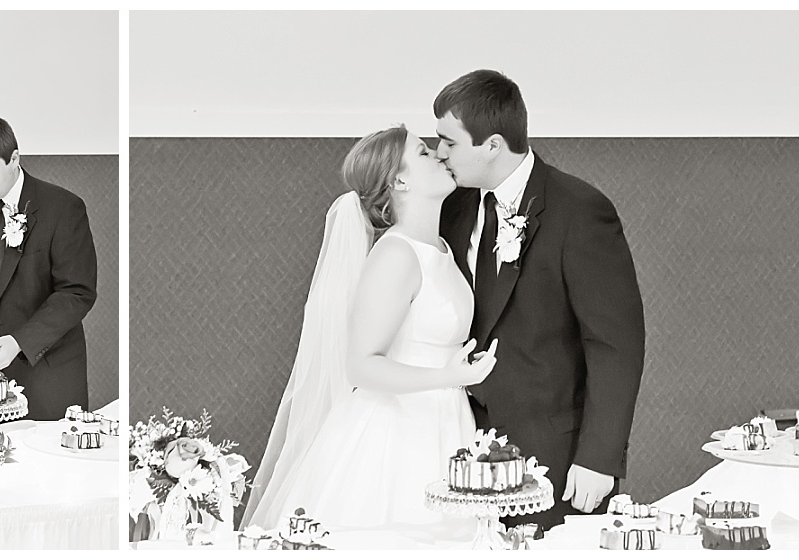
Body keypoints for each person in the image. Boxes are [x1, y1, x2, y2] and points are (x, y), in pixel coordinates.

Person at [241, 125, 498, 533]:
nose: (440, 155)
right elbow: (361, 367)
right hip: (396, 434)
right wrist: (449, 376)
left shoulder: (444, 249)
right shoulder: (395, 254)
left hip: (448, 424)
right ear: (400, 179)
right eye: (424, 153)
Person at [434, 69, 646, 531]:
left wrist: (600, 458)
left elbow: (615, 343)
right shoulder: (450, 208)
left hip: (553, 459)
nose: (439, 153)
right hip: (457, 451)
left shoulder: (579, 209)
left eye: (448, 141)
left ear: (491, 145)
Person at [0, 114, 98, 420]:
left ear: (14, 158)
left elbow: (77, 292)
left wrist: (19, 342)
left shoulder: (63, 207)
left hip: (45, 370)